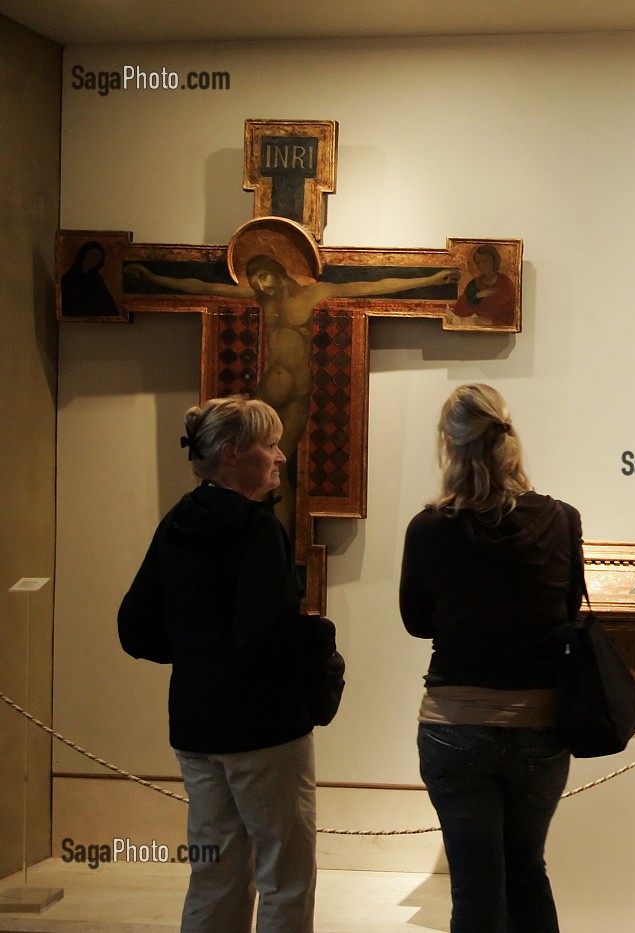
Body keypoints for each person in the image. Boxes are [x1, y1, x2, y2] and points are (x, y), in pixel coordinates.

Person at [118, 396, 338, 933]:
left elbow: (135, 626)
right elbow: (265, 633)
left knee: (213, 874)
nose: (281, 456)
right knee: (284, 876)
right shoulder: (255, 528)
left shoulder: (178, 521)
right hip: (262, 728)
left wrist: (198, 653)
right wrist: (321, 637)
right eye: (270, 444)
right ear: (235, 454)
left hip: (196, 723)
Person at [399, 383, 579, 933]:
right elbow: (565, 610)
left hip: (456, 726)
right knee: (528, 872)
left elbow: (416, 622)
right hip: (540, 725)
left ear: (449, 447)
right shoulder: (560, 518)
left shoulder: (429, 527)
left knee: (476, 888)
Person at [126, 256, 459, 540]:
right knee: (253, 471)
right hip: (268, 392)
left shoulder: (315, 292)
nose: (260, 284)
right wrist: (155, 278)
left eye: (264, 275)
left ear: (279, 271)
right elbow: (206, 288)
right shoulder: (262, 299)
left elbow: (367, 286)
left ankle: (280, 541)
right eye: (254, 279)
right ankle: (255, 536)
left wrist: (429, 278)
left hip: (299, 393)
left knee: (279, 465)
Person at [449, 244, 516, 328]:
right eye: (478, 262)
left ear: (493, 261)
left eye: (484, 261)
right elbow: (459, 309)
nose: (481, 266)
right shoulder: (473, 283)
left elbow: (511, 314)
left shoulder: (505, 283)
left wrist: (491, 322)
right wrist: (477, 295)